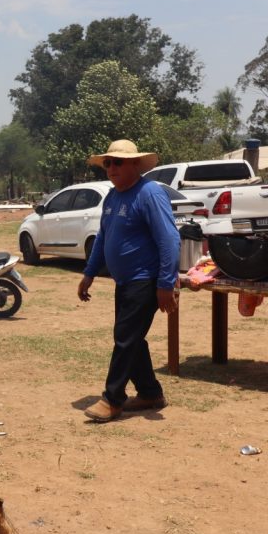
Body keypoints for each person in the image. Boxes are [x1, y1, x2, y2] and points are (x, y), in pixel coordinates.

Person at [77, 139, 180, 422]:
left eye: (118, 162)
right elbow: (103, 238)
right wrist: (89, 273)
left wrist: (165, 284)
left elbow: (169, 239)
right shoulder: (112, 197)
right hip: (124, 281)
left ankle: (113, 399)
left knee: (125, 339)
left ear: (136, 164)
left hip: (145, 280)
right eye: (108, 163)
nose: (111, 168)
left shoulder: (149, 194)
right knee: (131, 338)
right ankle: (149, 393)